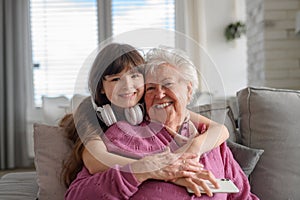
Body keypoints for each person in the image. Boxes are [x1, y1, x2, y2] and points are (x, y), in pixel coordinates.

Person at [60, 43, 230, 199]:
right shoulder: (92, 116)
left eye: (134, 75)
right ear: (101, 89)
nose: (127, 85)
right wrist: (153, 169)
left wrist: (191, 149)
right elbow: (95, 160)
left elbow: (219, 129)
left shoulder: (152, 105)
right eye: (115, 79)